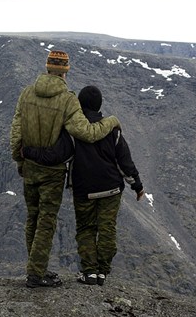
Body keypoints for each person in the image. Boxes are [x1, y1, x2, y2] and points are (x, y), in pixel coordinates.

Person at [10, 50, 121, 288]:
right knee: (46, 221)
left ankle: (36, 268)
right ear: (65, 71)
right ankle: (36, 274)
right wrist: (112, 121)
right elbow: (87, 133)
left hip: (29, 167)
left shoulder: (27, 94)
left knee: (33, 218)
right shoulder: (68, 100)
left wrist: (19, 161)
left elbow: (16, 132)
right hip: (52, 172)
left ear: (47, 68)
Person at [22, 85, 144, 287]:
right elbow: (125, 164)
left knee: (86, 229)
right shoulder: (113, 132)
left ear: (78, 104)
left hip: (84, 191)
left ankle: (89, 273)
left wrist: (29, 152)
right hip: (111, 190)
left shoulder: (72, 132)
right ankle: (103, 272)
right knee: (107, 230)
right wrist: (137, 186)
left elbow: (56, 156)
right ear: (100, 105)